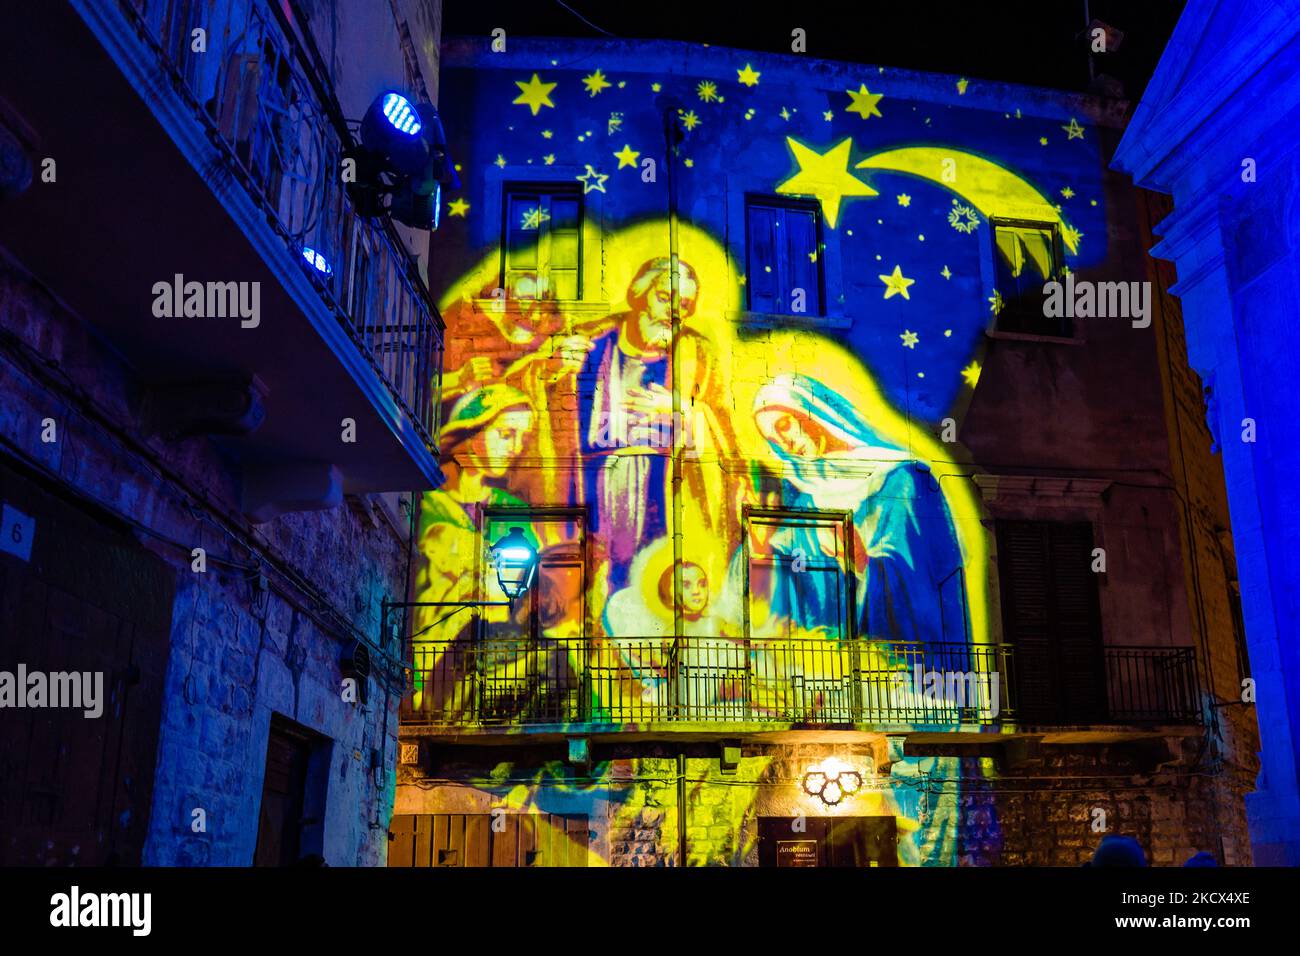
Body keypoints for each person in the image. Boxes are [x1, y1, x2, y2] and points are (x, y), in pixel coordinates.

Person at [749, 374, 968, 650]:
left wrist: (862, 561)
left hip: (907, 676)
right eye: (774, 440)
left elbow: (924, 587)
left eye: (784, 425)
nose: (785, 443)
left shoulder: (904, 479)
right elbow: (789, 588)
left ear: (813, 411)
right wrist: (761, 548)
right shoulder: (808, 503)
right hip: (835, 676)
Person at [574, 257, 741, 591]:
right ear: (640, 295)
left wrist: (680, 408)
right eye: (665, 298)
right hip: (599, 489)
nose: (673, 312)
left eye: (685, 304)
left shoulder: (696, 354)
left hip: (664, 493)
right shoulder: (594, 345)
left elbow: (724, 435)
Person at [411, 385, 534, 715]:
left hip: (489, 645)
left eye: (523, 438)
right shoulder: (428, 500)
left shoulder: (512, 509)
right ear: (473, 429)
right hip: (431, 639)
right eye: (507, 434)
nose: (517, 448)